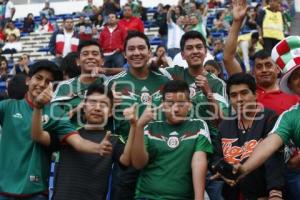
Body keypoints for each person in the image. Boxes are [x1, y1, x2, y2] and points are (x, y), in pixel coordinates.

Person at [0, 60, 105, 199]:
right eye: (38, 78)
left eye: (49, 82)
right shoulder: (8, 106)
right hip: (3, 189)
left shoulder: (57, 114)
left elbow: (78, 142)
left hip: (35, 191)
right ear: (28, 80)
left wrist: (98, 147)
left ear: (54, 88)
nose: (42, 84)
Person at [32, 83, 133, 200]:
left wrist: (135, 126)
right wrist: (38, 107)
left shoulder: (114, 140)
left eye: (104, 104)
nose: (97, 108)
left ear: (110, 112)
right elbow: (38, 136)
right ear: (84, 107)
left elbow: (126, 161)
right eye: (93, 103)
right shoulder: (69, 134)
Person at [106, 30, 170, 200]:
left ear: (149, 52)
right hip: (126, 158)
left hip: (160, 157)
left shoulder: (165, 81)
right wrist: (109, 110)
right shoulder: (113, 83)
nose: (137, 53)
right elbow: (101, 120)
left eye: (141, 48)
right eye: (131, 49)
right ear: (125, 54)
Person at [234, 35, 300, 199]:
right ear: (291, 85)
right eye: (296, 76)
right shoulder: (289, 117)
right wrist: (244, 168)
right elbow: (269, 143)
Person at [132, 80, 213, 200]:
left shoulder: (198, 126)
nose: (175, 109)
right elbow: (138, 164)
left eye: (181, 104)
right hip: (147, 196)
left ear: (190, 105)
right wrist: (139, 127)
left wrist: (199, 198)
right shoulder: (150, 127)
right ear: (163, 105)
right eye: (170, 103)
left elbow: (199, 162)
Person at [210, 73, 284, 199]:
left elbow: (274, 157)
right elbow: (216, 157)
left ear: (255, 95)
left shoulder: (270, 118)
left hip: (264, 195)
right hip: (233, 194)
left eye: (244, 93)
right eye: (233, 95)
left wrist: (274, 192)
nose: (239, 99)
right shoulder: (225, 126)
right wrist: (223, 171)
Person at [52, 40, 105, 129]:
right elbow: (53, 116)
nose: (90, 57)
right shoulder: (64, 87)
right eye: (85, 54)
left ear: (102, 61)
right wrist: (76, 110)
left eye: (95, 54)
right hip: (70, 138)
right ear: (78, 61)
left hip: (103, 138)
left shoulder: (110, 84)